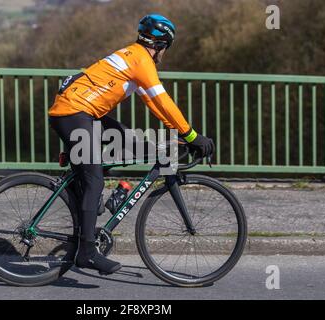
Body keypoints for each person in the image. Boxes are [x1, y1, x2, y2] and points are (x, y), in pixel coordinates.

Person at [48, 14, 215, 275]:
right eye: (165, 49)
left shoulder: (132, 57)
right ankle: (87, 252)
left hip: (82, 112)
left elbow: (152, 101)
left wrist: (175, 132)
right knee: (93, 179)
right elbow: (163, 101)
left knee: (129, 142)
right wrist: (193, 135)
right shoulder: (141, 60)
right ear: (161, 46)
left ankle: (98, 200)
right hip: (74, 114)